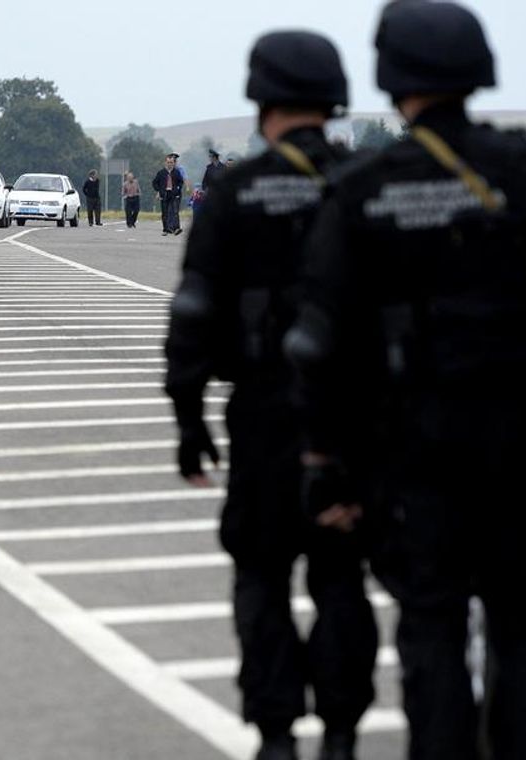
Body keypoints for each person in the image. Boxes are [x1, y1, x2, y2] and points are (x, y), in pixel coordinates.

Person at [285, 4, 526, 759]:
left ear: (393, 75)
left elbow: (319, 344)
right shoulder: (523, 173)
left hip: (413, 451)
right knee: (524, 628)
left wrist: (327, 464)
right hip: (523, 447)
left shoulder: (364, 188)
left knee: (431, 625)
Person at [165, 30, 376, 760]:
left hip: (260, 411)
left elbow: (193, 312)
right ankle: (344, 734)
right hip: (351, 419)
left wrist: (188, 418)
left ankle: (277, 734)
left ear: (262, 100)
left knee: (261, 572)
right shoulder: (362, 182)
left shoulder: (236, 192)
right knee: (341, 573)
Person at [153, 153, 185, 235]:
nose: (170, 164)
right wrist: (159, 190)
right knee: (165, 212)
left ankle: (176, 228)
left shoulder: (176, 172)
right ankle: (166, 229)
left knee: (174, 211)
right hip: (164, 194)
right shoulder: (161, 173)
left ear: (173, 163)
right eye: (168, 162)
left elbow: (181, 182)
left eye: (171, 162)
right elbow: (155, 183)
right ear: (165, 163)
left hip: (173, 194)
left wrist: (177, 189)